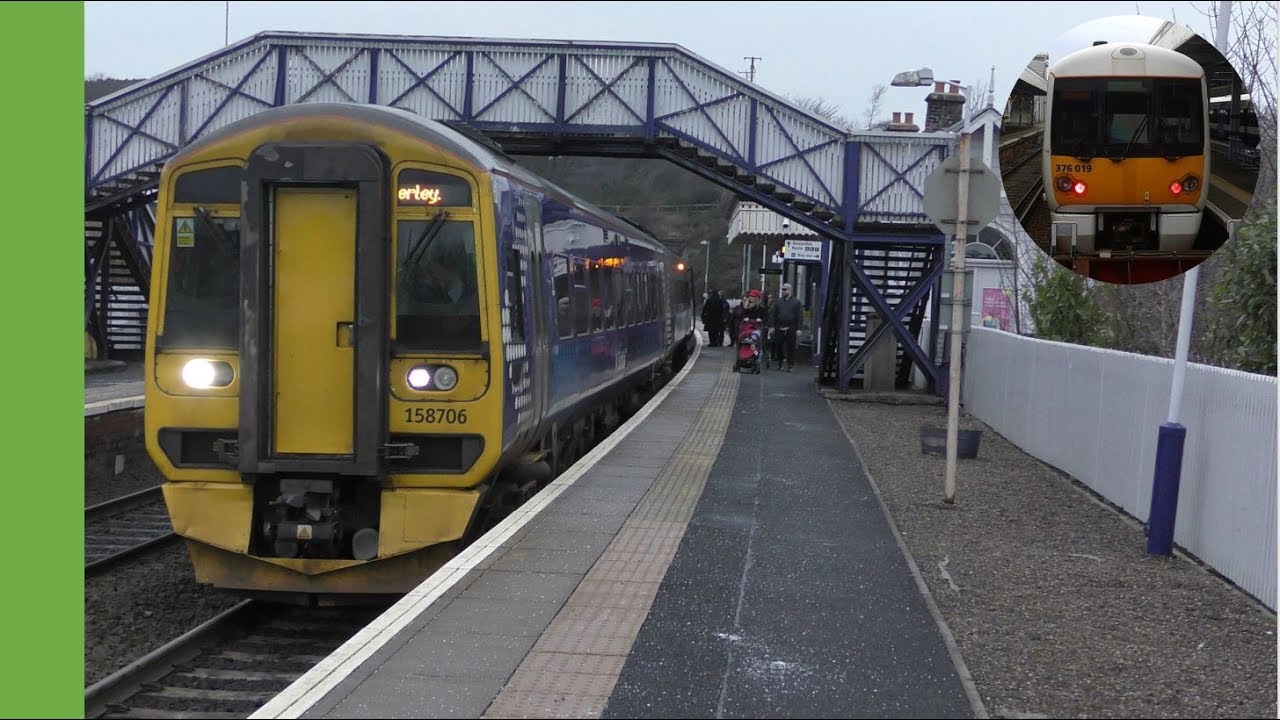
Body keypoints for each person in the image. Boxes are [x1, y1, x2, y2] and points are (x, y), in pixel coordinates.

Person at [767, 282, 804, 371]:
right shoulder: (778, 302)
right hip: (779, 326)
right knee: (778, 345)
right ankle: (780, 363)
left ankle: (790, 364)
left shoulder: (797, 302)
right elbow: (774, 315)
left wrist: (799, 328)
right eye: (782, 290)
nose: (783, 291)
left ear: (790, 290)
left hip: (791, 327)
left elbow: (800, 316)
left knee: (790, 347)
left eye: (785, 289)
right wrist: (772, 326)